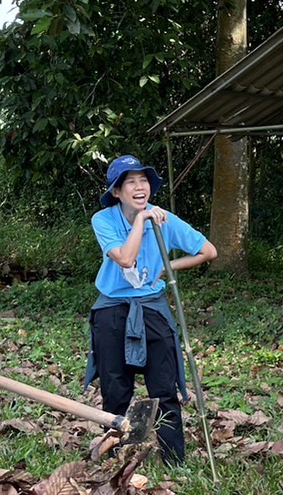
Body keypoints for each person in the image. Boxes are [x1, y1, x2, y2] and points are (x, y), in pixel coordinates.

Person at [88, 155, 216, 465]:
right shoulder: (104, 220)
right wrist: (141, 220)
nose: (139, 187)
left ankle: (174, 461)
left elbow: (208, 251)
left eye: (143, 180)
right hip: (112, 310)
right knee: (115, 387)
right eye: (130, 182)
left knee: (163, 387)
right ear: (116, 192)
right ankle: (115, 457)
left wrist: (167, 267)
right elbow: (125, 258)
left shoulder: (164, 218)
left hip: (152, 309)